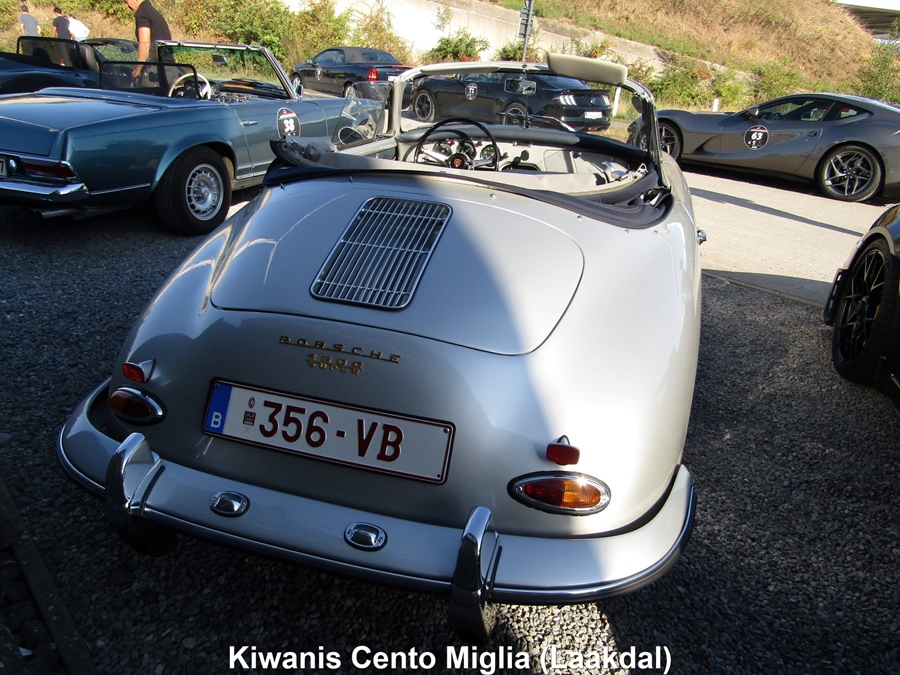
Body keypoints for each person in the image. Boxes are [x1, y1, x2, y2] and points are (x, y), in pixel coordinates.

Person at [124, 0, 171, 81]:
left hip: (155, 71)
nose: (126, 6)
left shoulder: (142, 12)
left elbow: (144, 43)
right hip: (169, 69)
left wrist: (138, 69)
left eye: (126, 1)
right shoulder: (151, 11)